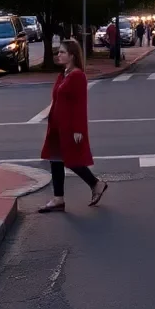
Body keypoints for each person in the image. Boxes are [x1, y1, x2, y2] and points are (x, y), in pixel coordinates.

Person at [38, 38, 108, 212]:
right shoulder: (64, 74)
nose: (58, 55)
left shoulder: (77, 76)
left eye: (62, 52)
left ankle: (96, 184)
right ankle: (58, 199)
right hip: (56, 126)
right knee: (55, 160)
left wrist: (78, 129)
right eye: (58, 52)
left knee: (72, 160)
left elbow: (79, 104)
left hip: (68, 126)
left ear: (72, 55)